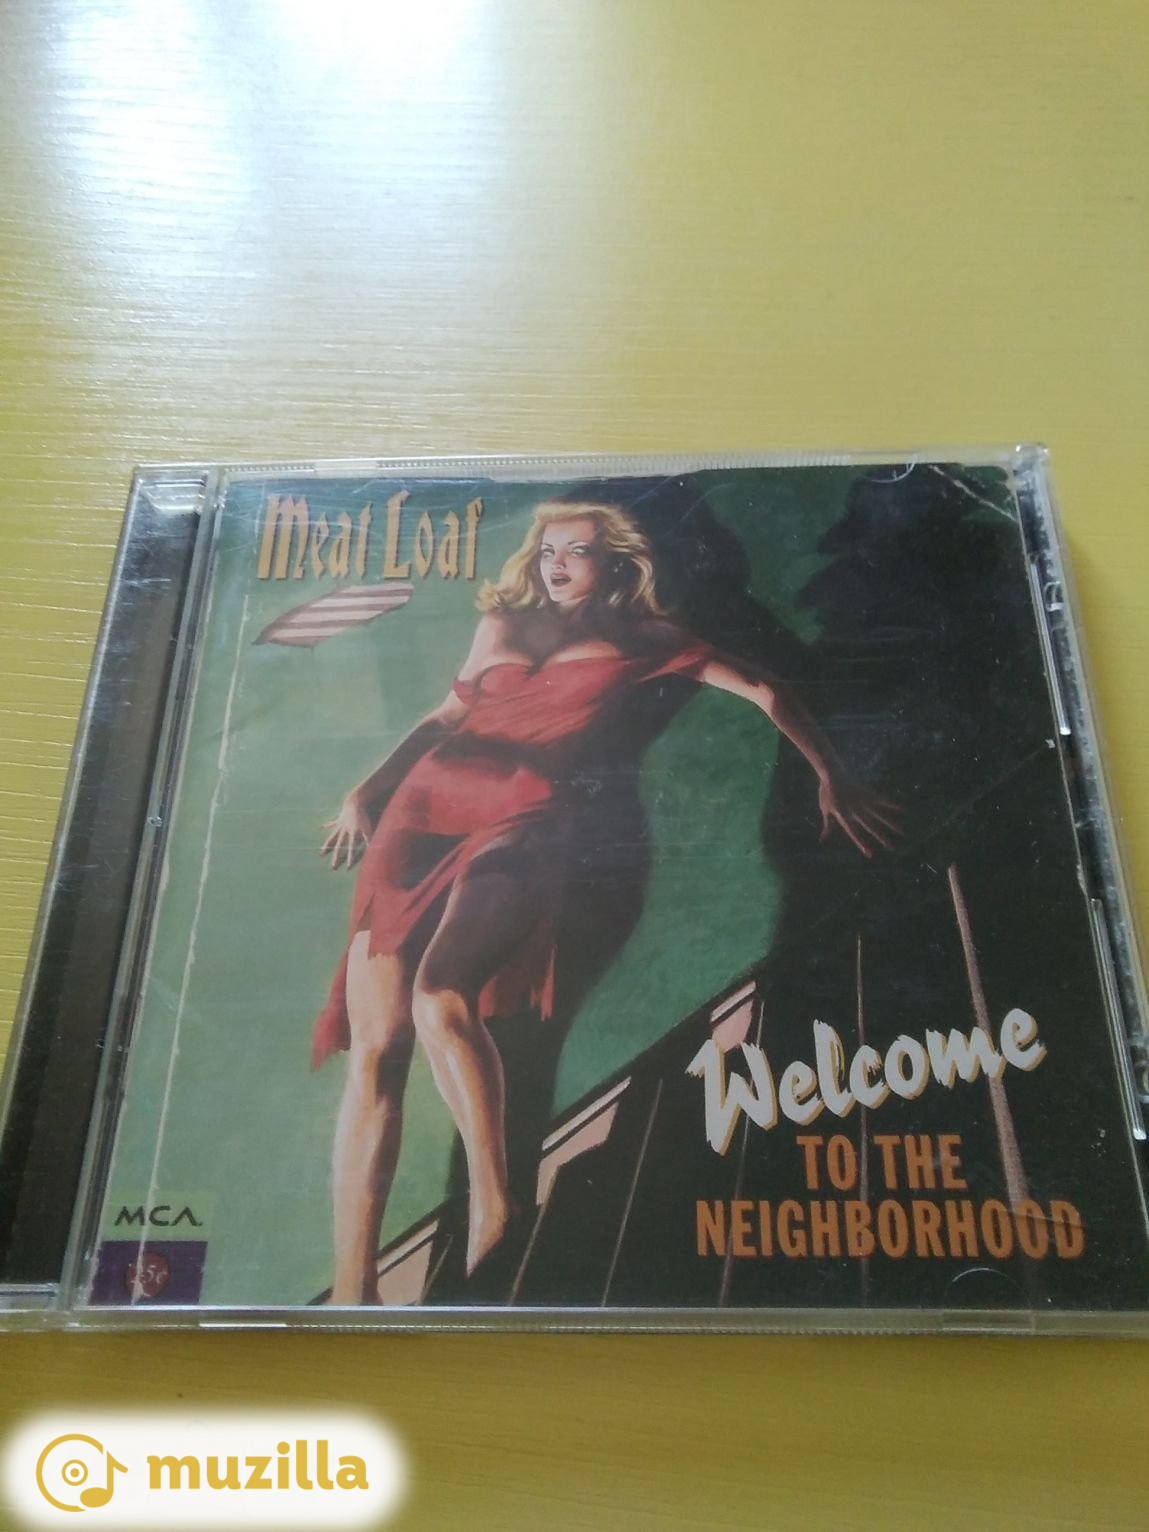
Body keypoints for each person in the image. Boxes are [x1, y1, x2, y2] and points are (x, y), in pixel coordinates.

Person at [315, 493, 898, 1304]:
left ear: (616, 563)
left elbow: (767, 692)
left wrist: (831, 776)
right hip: (416, 821)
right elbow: (446, 714)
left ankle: (496, 1210)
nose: (556, 565)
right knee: (376, 1052)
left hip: (523, 818)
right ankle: (354, 1289)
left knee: (440, 999)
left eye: (577, 552)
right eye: (548, 550)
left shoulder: (650, 639)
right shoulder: (501, 624)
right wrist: (364, 791)